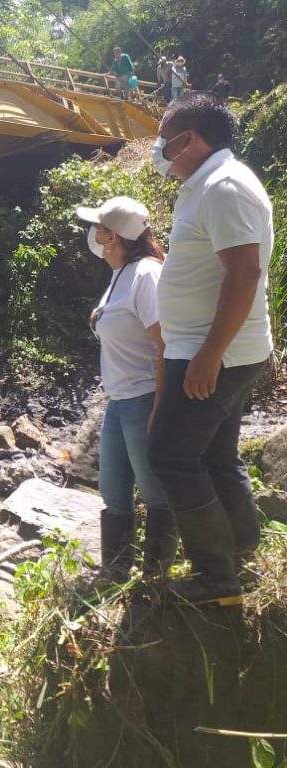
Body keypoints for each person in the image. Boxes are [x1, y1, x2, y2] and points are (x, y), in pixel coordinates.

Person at [147, 93, 274, 606]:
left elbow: (244, 272)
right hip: (209, 348)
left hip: (214, 353)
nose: (158, 148)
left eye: (163, 138)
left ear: (189, 139)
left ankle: (218, 580)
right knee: (216, 453)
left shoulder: (224, 187)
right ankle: (242, 548)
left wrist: (207, 355)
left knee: (171, 456)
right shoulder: (207, 185)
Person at [76, 197, 178, 581]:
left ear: (111, 235)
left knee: (154, 492)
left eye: (98, 228)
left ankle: (155, 579)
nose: (93, 235)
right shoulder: (121, 273)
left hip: (143, 398)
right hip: (118, 401)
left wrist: (161, 407)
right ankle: (115, 573)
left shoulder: (145, 275)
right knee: (113, 491)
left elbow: (166, 344)